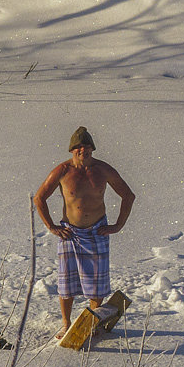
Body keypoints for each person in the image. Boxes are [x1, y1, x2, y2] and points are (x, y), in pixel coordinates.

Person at [34, 126, 135, 338]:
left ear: (92, 149)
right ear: (72, 150)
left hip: (98, 230)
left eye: (87, 147)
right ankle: (66, 323)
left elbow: (128, 195)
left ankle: (93, 321)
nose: (83, 151)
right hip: (70, 233)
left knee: (96, 285)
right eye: (79, 147)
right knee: (66, 283)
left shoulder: (103, 170)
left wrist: (118, 225)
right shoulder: (62, 171)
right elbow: (39, 197)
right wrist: (52, 227)